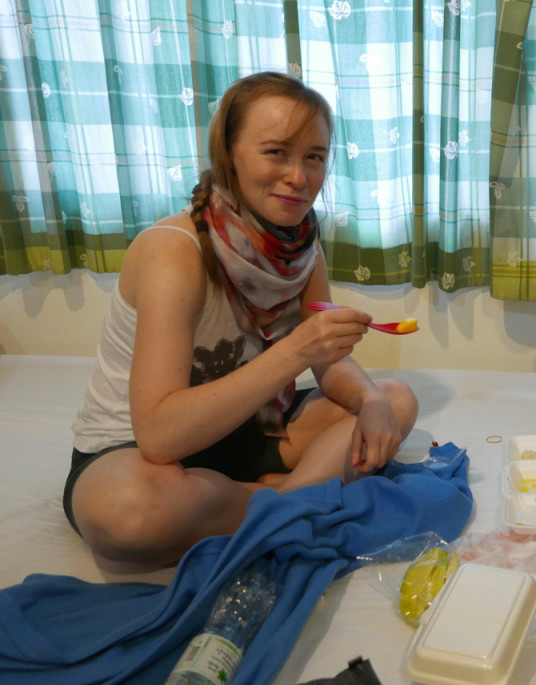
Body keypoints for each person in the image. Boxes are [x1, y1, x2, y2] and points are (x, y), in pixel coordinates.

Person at [65, 72, 418, 566]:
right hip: (141, 452)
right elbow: (160, 436)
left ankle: (271, 499)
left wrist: (370, 398)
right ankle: (291, 500)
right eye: (277, 152)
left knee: (395, 401)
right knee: (127, 514)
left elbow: (329, 364)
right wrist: (294, 351)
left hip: (252, 429)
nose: (300, 177)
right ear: (228, 153)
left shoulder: (302, 250)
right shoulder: (175, 251)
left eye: (314, 157)